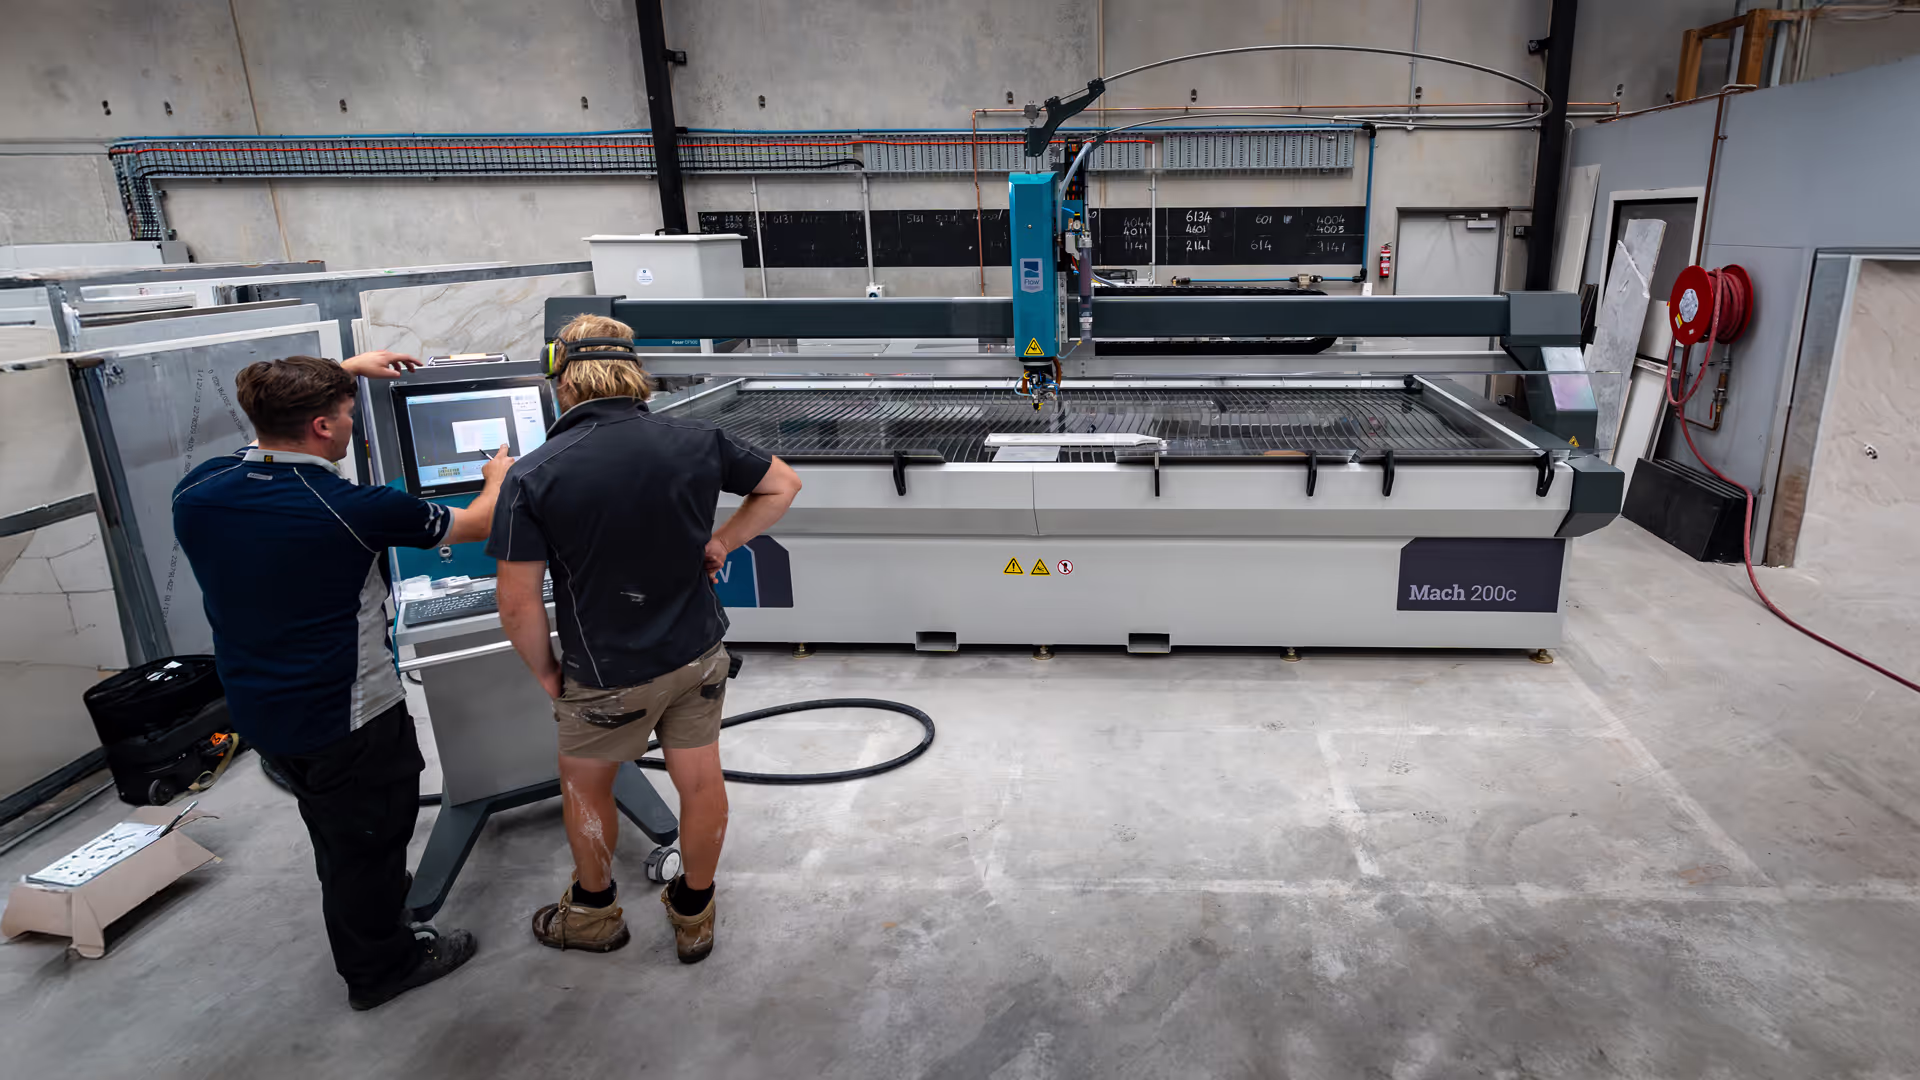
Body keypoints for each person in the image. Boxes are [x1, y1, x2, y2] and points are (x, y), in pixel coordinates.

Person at [172, 351, 512, 1010]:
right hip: (350, 719)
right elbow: (476, 522)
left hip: (261, 711)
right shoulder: (350, 507)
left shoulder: (200, 487)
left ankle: (372, 927)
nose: (354, 422)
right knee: (369, 845)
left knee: (335, 831)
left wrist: (341, 371)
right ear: (324, 429)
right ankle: (383, 967)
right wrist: (497, 475)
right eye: (349, 413)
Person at [490, 314, 801, 961]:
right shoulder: (696, 438)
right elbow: (782, 483)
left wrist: (548, 671)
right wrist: (722, 541)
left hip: (607, 671)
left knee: (586, 786)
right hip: (697, 652)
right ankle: (694, 913)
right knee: (700, 782)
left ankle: (595, 915)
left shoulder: (536, 473)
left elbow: (516, 602)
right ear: (633, 372)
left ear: (562, 379)